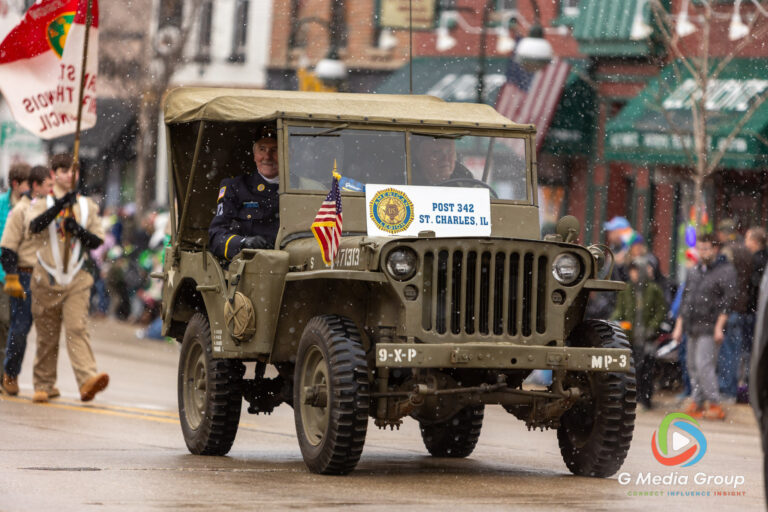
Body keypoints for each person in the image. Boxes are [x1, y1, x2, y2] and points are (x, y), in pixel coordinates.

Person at [26, 154, 109, 403]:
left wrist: (78, 230)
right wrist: (59, 206)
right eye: (63, 170)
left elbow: (97, 240)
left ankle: (87, 379)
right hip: (47, 277)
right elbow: (34, 226)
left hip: (77, 276)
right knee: (47, 335)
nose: (70, 174)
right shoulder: (42, 202)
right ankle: (44, 383)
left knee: (76, 328)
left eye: (73, 170)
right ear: (53, 174)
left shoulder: (87, 205)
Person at [0, 166, 53, 396]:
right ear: (35, 186)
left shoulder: (52, 207)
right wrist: (11, 276)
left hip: (48, 275)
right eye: (48, 185)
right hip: (22, 274)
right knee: (15, 327)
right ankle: (9, 373)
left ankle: (45, 381)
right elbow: (7, 247)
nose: (51, 189)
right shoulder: (19, 209)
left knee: (48, 332)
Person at [672, 233, 736, 420]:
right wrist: (679, 326)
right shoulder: (694, 271)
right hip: (692, 325)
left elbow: (728, 301)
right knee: (692, 365)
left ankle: (715, 403)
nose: (702, 252)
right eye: (699, 248)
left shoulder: (725, 271)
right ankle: (697, 402)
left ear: (715, 249)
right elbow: (686, 300)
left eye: (706, 248)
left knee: (704, 365)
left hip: (710, 325)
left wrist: (719, 326)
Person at [209, 125, 279, 261]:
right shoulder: (235, 187)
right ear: (254, 155)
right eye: (262, 149)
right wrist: (243, 243)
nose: (267, 156)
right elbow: (216, 237)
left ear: (286, 153)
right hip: (252, 266)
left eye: (274, 150)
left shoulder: (304, 187)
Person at [612, 257, 668, 410]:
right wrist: (614, 322)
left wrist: (652, 327)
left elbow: (660, 311)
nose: (634, 274)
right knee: (633, 369)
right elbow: (620, 310)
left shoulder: (653, 290)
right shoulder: (626, 290)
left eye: (636, 271)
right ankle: (634, 398)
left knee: (647, 368)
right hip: (631, 335)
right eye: (632, 271)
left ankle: (645, 399)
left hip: (648, 336)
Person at [0, 162, 30, 393]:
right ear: (15, 184)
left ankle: (9, 373)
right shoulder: (2, 205)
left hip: (23, 276)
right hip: (3, 274)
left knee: (15, 327)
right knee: (4, 323)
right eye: (28, 183)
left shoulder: (31, 207)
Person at [742, 227, 768, 401]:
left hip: (754, 312)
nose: (745, 243)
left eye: (747, 239)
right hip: (756, 311)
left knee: (750, 350)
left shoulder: (757, 261)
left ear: (755, 242)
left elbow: (755, 287)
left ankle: (748, 385)